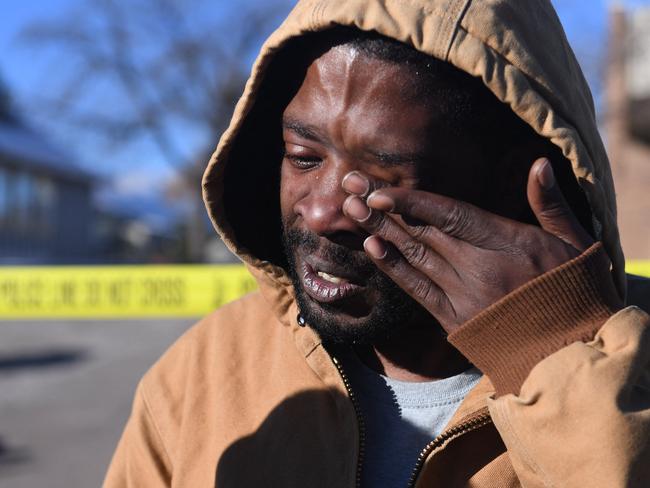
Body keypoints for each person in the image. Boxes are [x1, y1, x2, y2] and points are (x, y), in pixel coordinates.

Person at [104, 0, 650, 486]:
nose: (320, 212)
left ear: (518, 185)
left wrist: (563, 363)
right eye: (302, 156)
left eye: (382, 178)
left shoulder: (636, 359)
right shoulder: (200, 376)